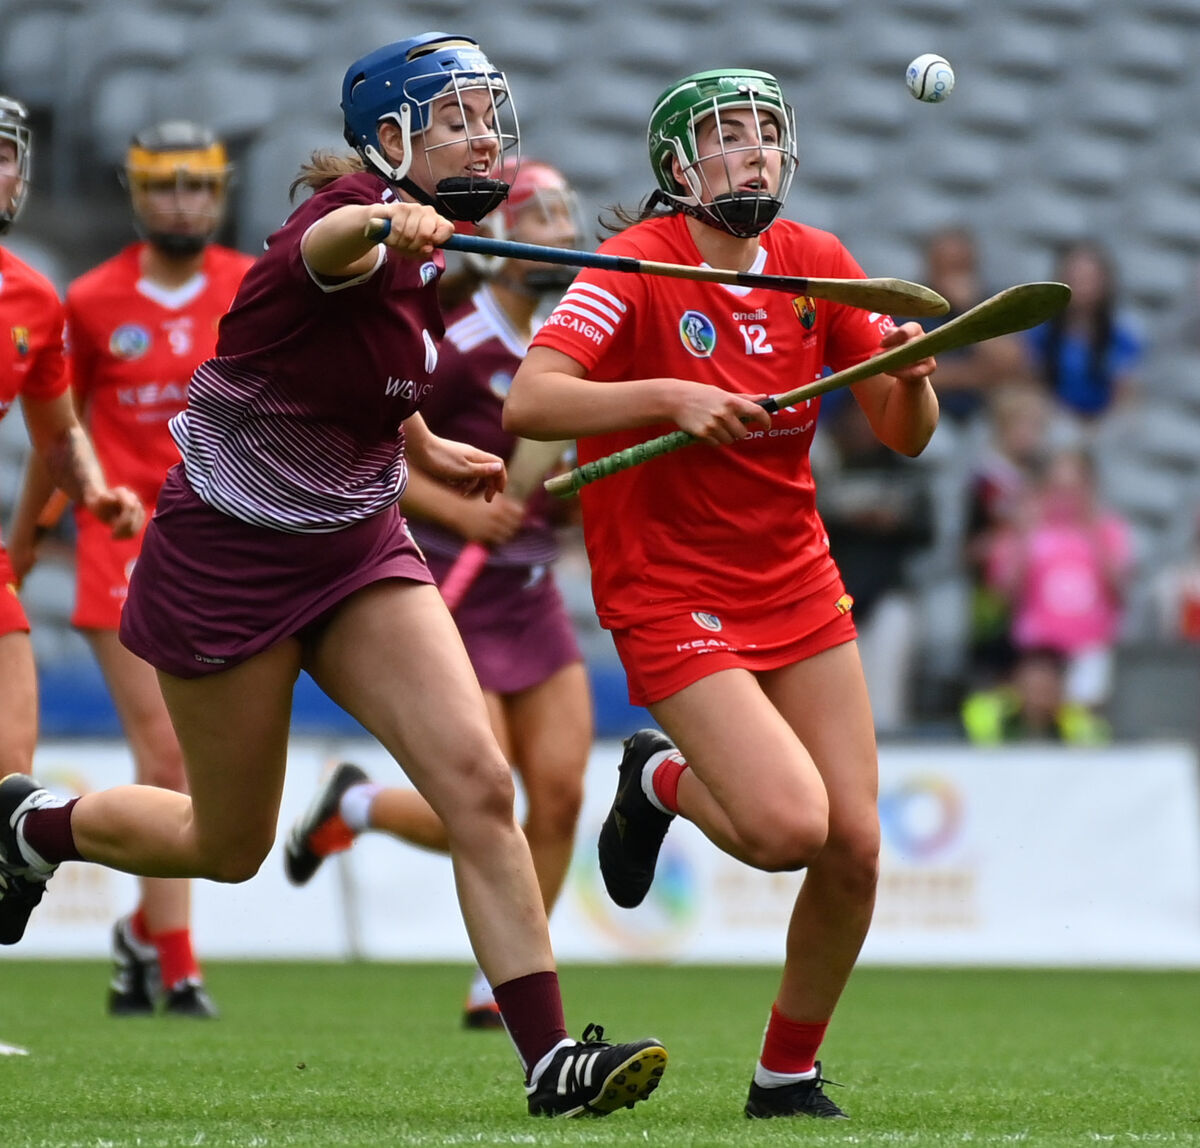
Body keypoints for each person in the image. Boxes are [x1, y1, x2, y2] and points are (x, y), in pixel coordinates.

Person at [0, 34, 667, 1119]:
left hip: (357, 551)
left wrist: (422, 443)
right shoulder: (343, 225)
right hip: (229, 564)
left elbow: (353, 371)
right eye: (457, 118)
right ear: (392, 139)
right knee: (225, 843)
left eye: (490, 116)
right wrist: (380, 219)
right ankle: (31, 828)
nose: (485, 135)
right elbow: (333, 255)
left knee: (480, 786)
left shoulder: (426, 251)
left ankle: (550, 1060)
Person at [504, 68, 939, 1118]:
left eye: (766, 135)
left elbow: (902, 431)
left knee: (857, 844)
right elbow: (532, 398)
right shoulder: (631, 266)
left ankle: (784, 1073)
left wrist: (914, 373)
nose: (753, 153)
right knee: (790, 825)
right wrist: (669, 396)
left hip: (794, 575)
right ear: (678, 166)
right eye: (728, 137)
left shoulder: (817, 266)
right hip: (669, 586)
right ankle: (657, 781)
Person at [283, 158, 594, 1031]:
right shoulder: (459, 344)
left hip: (530, 592)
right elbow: (380, 450)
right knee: (480, 791)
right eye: (538, 220)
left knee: (562, 791)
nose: (559, 238)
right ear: (497, 244)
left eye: (565, 221)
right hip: (452, 590)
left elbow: (560, 462)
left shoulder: (578, 337)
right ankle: (355, 805)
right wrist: (462, 508)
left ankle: (498, 980)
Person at [8, 121, 254, 1018]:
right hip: (122, 549)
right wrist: (32, 533)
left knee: (198, 764)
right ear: (135, 192)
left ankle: (141, 938)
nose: (182, 201)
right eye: (164, 186)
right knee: (166, 752)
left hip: (227, 548)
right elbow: (55, 430)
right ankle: (178, 967)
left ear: (220, 192)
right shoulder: (90, 300)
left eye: (198, 185)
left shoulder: (248, 287)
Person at [0, 92, 144, 931]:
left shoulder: (32, 299)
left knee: (8, 792)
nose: (1, 171)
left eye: (8, 154)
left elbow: (57, 435)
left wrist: (94, 491)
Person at [813, 398, 934, 734]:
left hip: (887, 591)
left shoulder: (905, 471)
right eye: (855, 420)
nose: (862, 429)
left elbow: (927, 530)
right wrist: (853, 519)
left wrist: (892, 521)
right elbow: (806, 523)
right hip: (831, 595)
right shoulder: (825, 471)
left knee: (885, 692)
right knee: (833, 697)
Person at [983, 446, 1133, 711]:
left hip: (1090, 648)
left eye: (1075, 488)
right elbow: (1004, 595)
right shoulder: (1026, 531)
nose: (1067, 497)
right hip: (1038, 649)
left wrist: (1093, 534)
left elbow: (1120, 592)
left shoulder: (1109, 530)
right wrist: (1024, 537)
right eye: (1058, 487)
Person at [916, 225, 1029, 425]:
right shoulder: (911, 308)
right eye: (947, 268)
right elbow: (911, 375)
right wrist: (977, 374)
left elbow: (1014, 367)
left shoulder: (991, 304)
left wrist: (970, 309)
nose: (954, 278)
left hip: (987, 413)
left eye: (961, 267)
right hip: (928, 411)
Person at [1024, 239, 1143, 424]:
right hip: (1050, 421)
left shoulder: (1122, 338)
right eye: (1075, 278)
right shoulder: (1040, 333)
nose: (1082, 286)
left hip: (1100, 424)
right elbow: (1031, 385)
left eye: (1089, 279)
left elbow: (1124, 398)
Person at [961, 645, 1111, 745]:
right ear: (1016, 685)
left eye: (1045, 689)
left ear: (1059, 688)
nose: (1038, 698)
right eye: (1032, 688)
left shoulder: (1081, 724)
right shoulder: (989, 715)